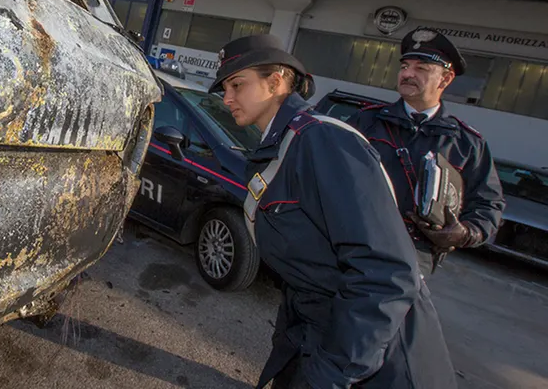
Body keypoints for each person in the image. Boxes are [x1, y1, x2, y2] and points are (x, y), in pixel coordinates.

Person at [210, 34, 456, 389]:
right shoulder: (282, 145)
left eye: (237, 84)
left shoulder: (323, 140)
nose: (227, 97)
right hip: (320, 335)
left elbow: (385, 273)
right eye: (225, 88)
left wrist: (331, 373)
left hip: (375, 360)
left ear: (276, 80)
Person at [347, 28, 505, 278]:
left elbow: (488, 204)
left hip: (412, 257)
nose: (407, 74)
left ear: (445, 79)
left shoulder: (466, 144)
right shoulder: (365, 122)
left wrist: (465, 233)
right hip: (349, 242)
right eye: (405, 66)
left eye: (421, 68)